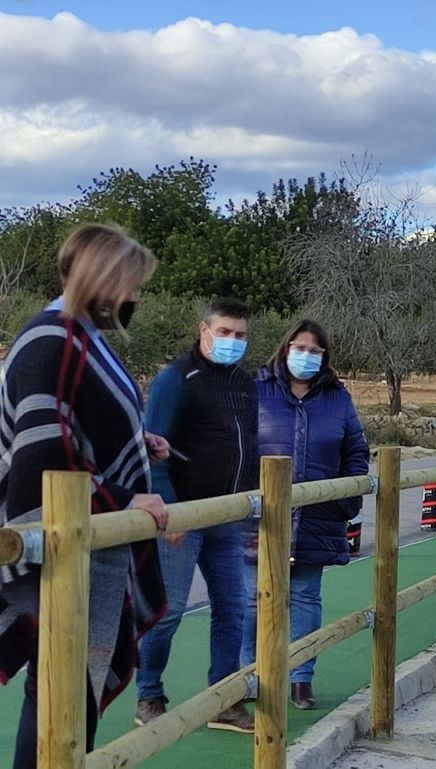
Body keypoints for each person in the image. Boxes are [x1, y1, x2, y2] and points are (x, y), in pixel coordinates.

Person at [0, 223, 170, 769]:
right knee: (59, 687)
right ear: (102, 278)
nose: (133, 297)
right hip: (50, 531)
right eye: (129, 283)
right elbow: (43, 451)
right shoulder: (54, 337)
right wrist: (123, 499)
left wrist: (134, 443)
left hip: (76, 534)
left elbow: (76, 425)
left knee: (65, 686)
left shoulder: (81, 337)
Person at [134, 297, 257, 732]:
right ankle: (148, 694)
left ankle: (222, 698)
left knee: (233, 607)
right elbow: (151, 447)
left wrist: (253, 505)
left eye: (240, 335)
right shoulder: (175, 378)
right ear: (204, 330)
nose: (232, 341)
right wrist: (168, 510)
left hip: (228, 515)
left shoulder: (245, 384)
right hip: (181, 518)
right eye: (224, 332)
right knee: (167, 612)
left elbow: (248, 447)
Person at [241, 319, 369, 710]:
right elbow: (234, 447)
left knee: (304, 597)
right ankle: (247, 679)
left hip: (316, 516)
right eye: (300, 348)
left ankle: (300, 679)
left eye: (315, 351)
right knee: (250, 601)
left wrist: (345, 500)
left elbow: (356, 451)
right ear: (285, 348)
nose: (306, 356)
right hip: (258, 518)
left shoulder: (337, 398)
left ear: (325, 357)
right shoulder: (255, 391)